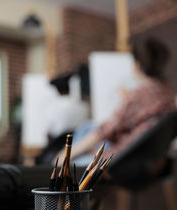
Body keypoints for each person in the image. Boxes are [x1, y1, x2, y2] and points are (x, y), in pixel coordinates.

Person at [56, 37, 176, 166]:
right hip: (153, 160)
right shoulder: (169, 93)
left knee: (69, 161)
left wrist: (66, 155)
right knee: (88, 127)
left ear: (137, 64)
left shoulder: (138, 95)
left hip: (121, 161)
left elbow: (103, 131)